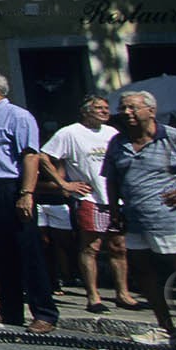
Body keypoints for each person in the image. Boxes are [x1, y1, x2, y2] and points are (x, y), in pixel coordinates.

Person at [0, 71, 59, 334]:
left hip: (10, 190)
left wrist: (26, 193)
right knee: (1, 252)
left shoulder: (18, 116)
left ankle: (45, 313)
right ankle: (11, 309)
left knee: (27, 252)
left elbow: (30, 156)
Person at [101, 91, 176, 350]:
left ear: (150, 111)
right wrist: (115, 209)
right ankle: (165, 327)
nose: (126, 113)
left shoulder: (175, 138)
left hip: (173, 219)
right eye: (123, 108)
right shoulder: (117, 142)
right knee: (144, 272)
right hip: (136, 219)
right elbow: (112, 178)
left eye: (132, 108)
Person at [40, 96, 137, 314]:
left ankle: (123, 293)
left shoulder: (113, 133)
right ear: (86, 112)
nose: (104, 112)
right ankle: (93, 296)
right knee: (91, 246)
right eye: (98, 108)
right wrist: (64, 183)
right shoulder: (70, 133)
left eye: (106, 108)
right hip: (90, 198)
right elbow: (44, 156)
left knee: (118, 246)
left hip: (115, 199)